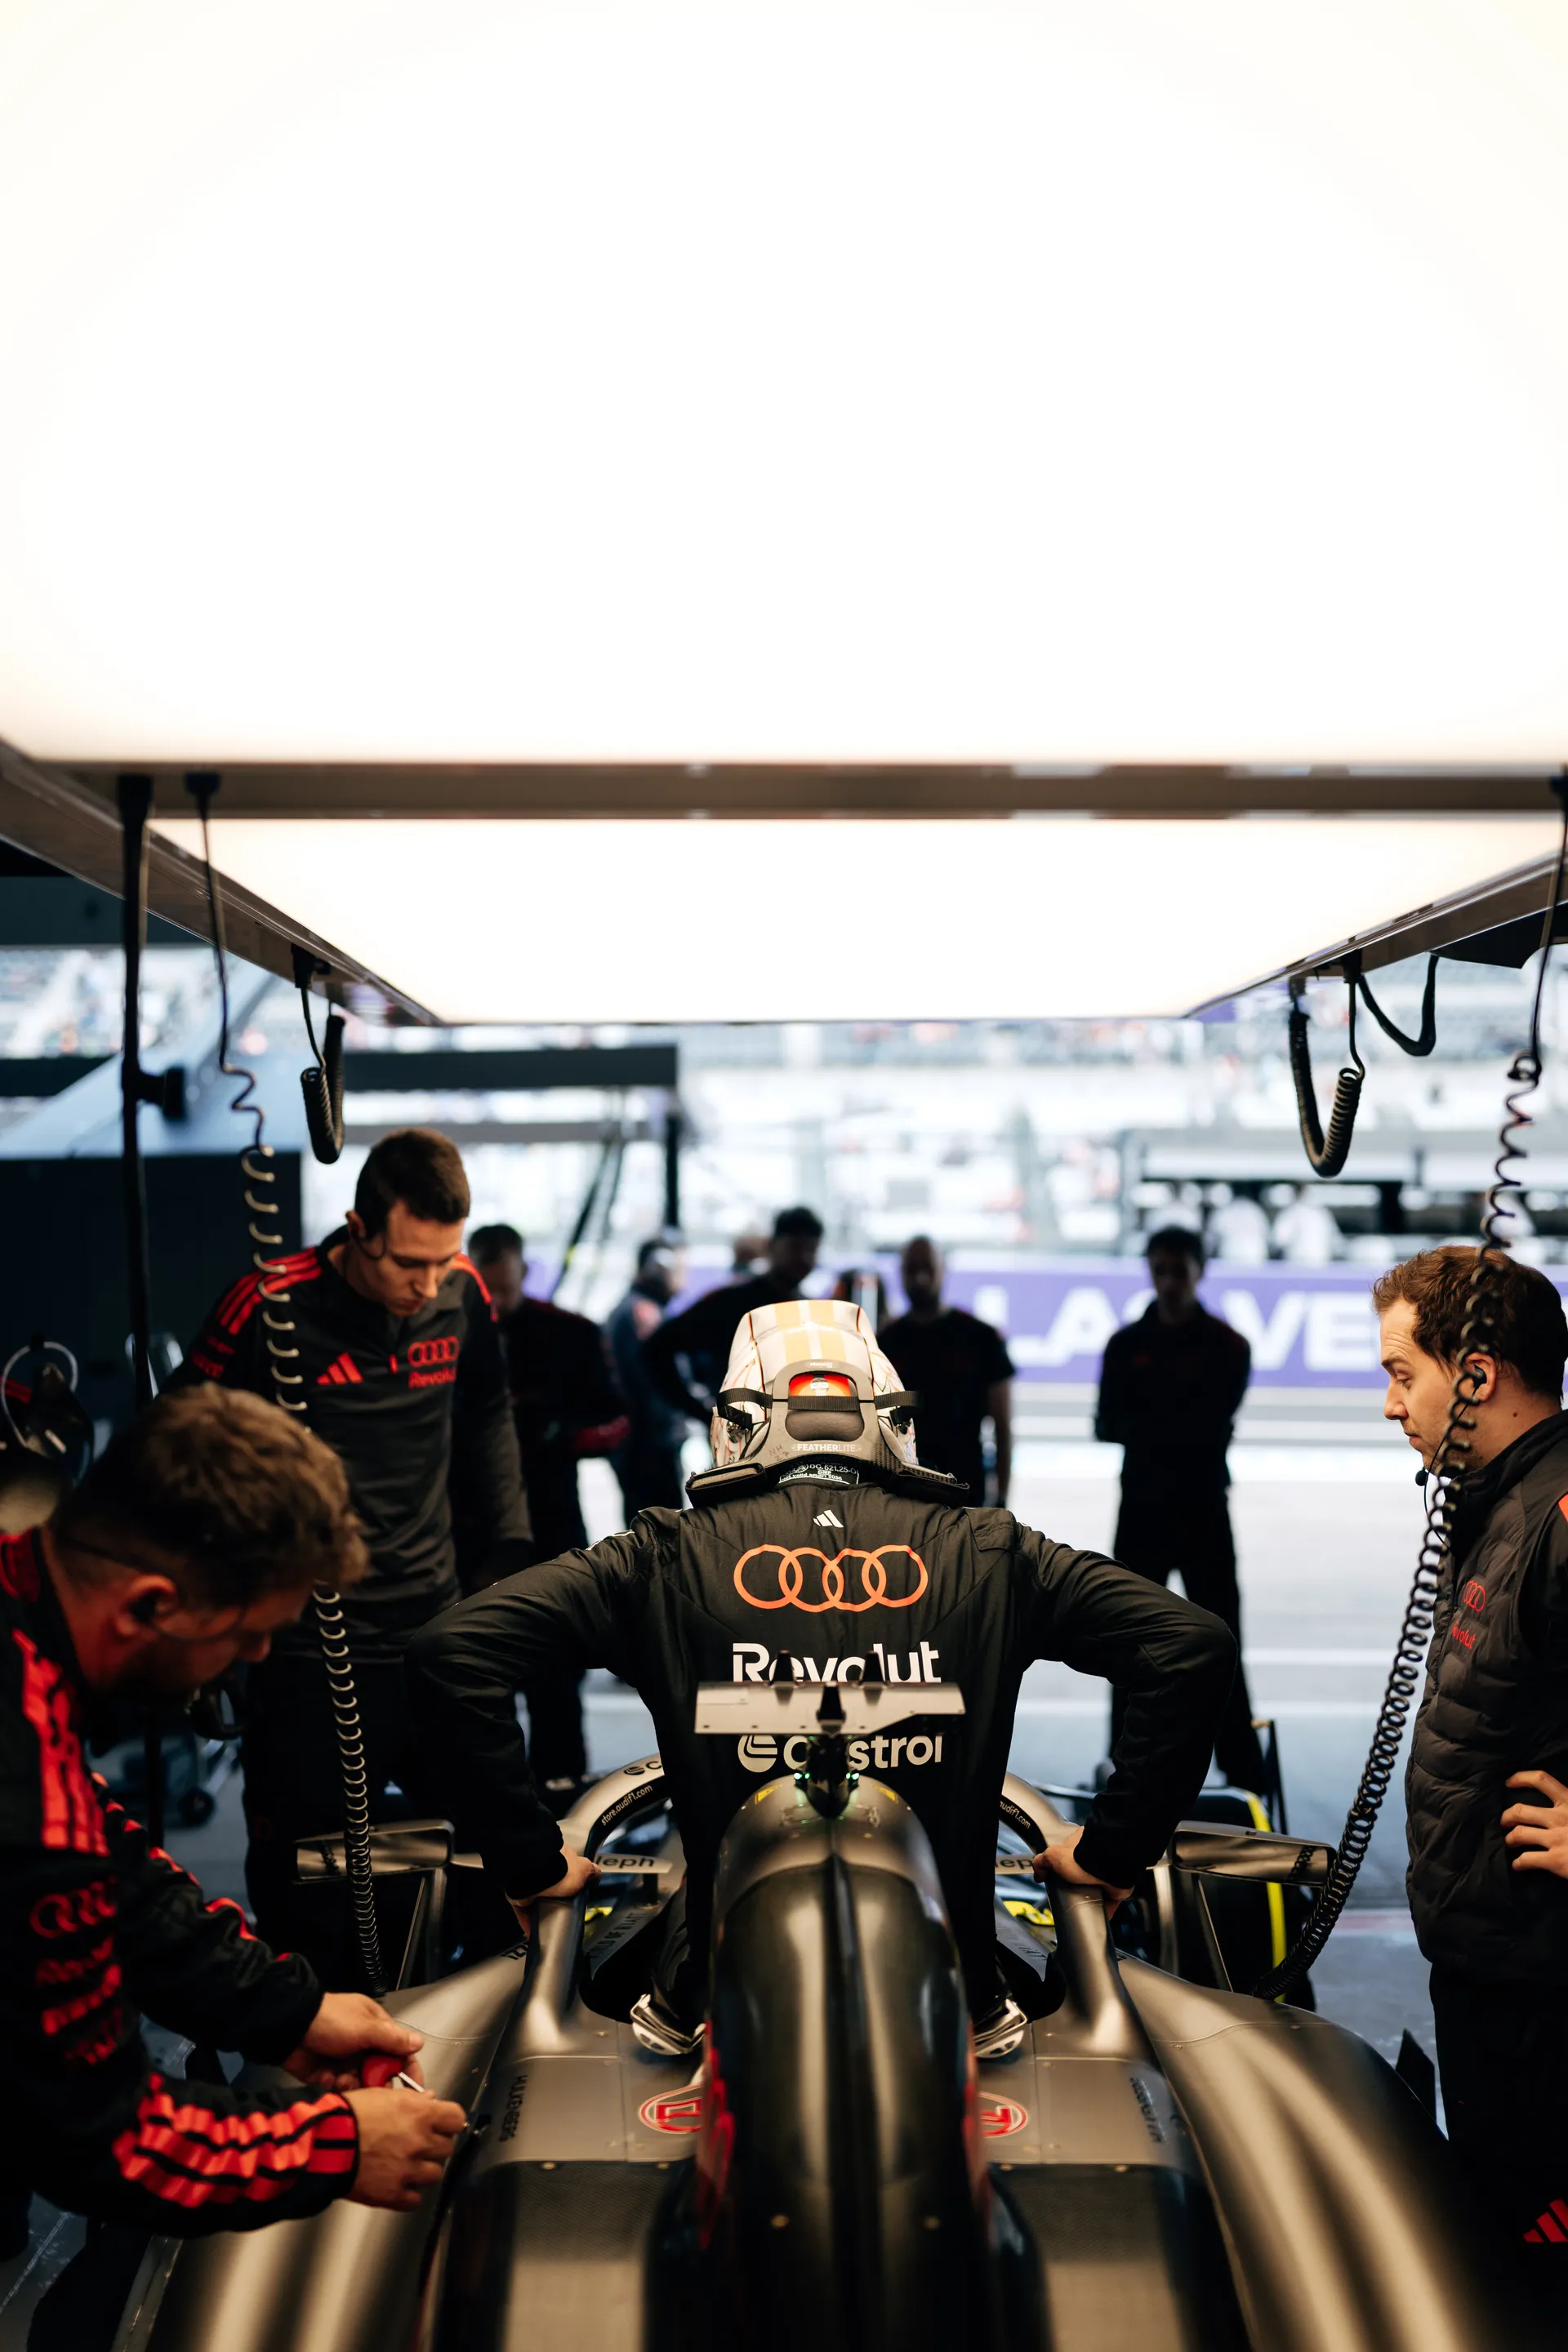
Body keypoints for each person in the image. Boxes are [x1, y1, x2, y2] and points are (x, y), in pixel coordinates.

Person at [408, 1296, 1235, 2062]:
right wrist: (1114, 1850)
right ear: (893, 1423)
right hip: (959, 2010)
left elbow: (454, 1653)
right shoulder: (992, 1550)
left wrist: (527, 1859)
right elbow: (1188, 1644)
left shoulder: (663, 1554)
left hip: (706, 2008)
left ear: (732, 1425)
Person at [2, 1387, 467, 2339]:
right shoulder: (21, 1789)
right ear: (151, 1605)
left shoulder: (22, 1622)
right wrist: (332, 2145)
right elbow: (101, 2139)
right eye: (246, 1633)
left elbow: (99, 1854)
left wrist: (280, 2007)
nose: (254, 1655)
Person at [180, 1128, 531, 1978]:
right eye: (410, 1263)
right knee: (306, 1884)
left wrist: (512, 1543)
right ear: (356, 1227)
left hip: (440, 1635)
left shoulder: (462, 1295)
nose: (429, 1283)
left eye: (443, 1261)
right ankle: (323, 2072)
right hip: (311, 1651)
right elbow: (179, 1445)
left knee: (507, 1856)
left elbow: (488, 1410)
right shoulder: (268, 1304)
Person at [1375, 1245, 1568, 2255]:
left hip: (1547, 1996)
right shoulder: (1491, 1504)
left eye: (1404, 1375)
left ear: (1478, 1375)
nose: (1391, 1406)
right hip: (1491, 1974)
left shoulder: (1560, 1513)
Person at [1094, 1226, 1264, 1790]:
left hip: (1199, 1510)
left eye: (1178, 1270)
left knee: (1221, 1637)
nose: (1168, 1281)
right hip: (1144, 1508)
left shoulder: (1228, 1346)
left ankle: (1241, 1768)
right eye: (1159, 1269)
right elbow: (1107, 1424)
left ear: (1199, 1270)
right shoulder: (1125, 1345)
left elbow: (1186, 1424)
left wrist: (1153, 1427)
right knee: (1129, 1641)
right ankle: (1125, 1763)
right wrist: (1172, 1425)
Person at [466, 1221, 628, 1801]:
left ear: (522, 1272)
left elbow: (616, 1421)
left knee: (556, 1678)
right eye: (487, 1293)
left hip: (553, 1523)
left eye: (504, 1292)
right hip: (471, 1535)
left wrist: (560, 1435)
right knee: (479, 1683)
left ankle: (564, 1807)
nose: (497, 1304)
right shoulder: (446, 1339)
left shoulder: (571, 1334)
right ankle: (494, 1812)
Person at [644, 1205, 824, 1425]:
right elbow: (657, 1349)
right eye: (796, 1248)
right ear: (771, 1246)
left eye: (812, 1250)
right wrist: (704, 1414)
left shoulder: (808, 1309)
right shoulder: (730, 1303)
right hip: (740, 1436)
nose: (804, 1259)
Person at [877, 1238, 1013, 1505]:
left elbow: (1003, 1426)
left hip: (965, 1490)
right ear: (900, 1274)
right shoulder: (884, 1343)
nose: (920, 1277)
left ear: (943, 1269)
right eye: (911, 1269)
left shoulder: (981, 1338)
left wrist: (1002, 1497)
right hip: (903, 1493)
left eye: (927, 1267)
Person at [606, 1238, 689, 1518]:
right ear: (659, 1268)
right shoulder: (644, 1314)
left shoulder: (636, 1309)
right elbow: (654, 1387)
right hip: (649, 1447)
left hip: (641, 1444)